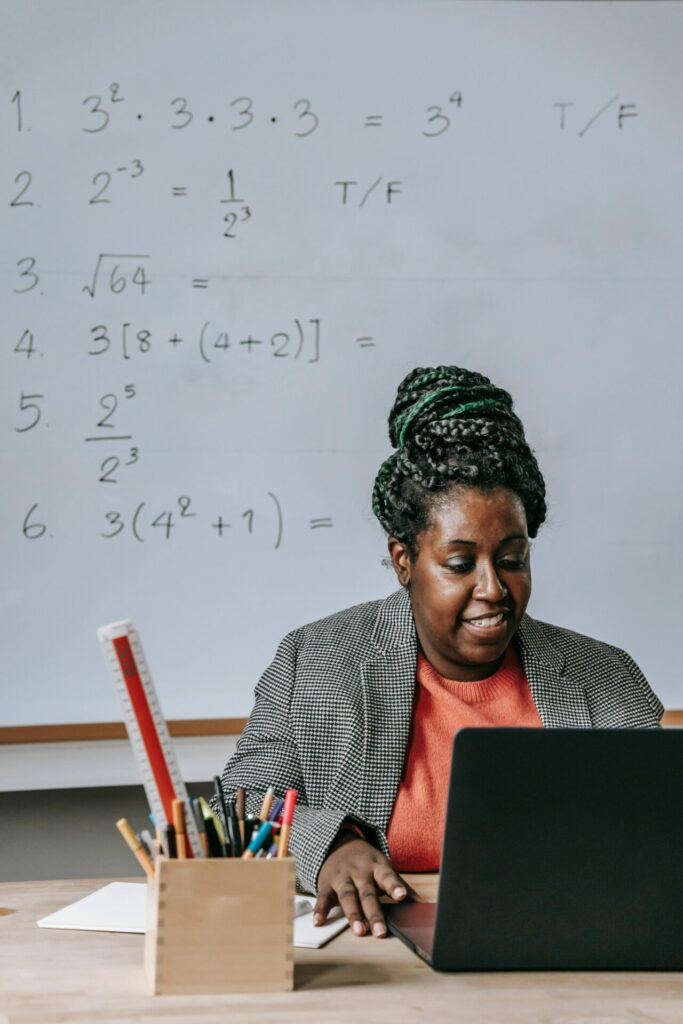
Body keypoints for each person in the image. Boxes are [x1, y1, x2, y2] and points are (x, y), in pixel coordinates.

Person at [217, 365, 663, 938]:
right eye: (459, 564)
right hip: (377, 958)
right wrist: (328, 844)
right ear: (404, 561)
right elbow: (241, 798)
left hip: (568, 945)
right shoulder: (318, 660)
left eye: (512, 559)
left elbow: (654, 831)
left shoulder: (605, 677)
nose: (493, 589)